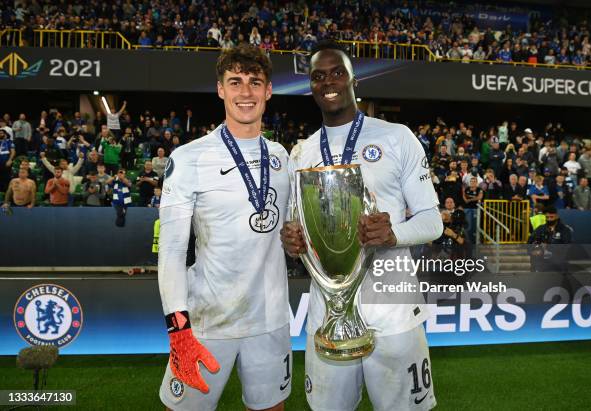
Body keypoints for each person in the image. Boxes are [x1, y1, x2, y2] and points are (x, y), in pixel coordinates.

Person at [281, 40, 442, 411]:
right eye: (319, 76)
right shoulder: (301, 152)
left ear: (355, 80)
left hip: (394, 312)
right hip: (327, 316)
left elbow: (433, 221)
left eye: (338, 72)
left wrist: (393, 234)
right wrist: (289, 238)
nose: (329, 81)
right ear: (311, 86)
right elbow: (296, 227)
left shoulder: (396, 137)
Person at [158, 44, 291, 411]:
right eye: (235, 82)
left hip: (271, 321)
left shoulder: (282, 158)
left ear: (268, 91)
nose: (245, 92)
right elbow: (170, 252)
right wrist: (178, 328)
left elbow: (290, 235)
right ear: (220, 89)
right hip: (206, 323)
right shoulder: (188, 158)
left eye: (254, 82)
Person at [528, 205, 572, 272]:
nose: (549, 219)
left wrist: (549, 247)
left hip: (559, 266)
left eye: (551, 217)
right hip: (541, 265)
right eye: (547, 217)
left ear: (557, 216)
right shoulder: (541, 229)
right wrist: (534, 250)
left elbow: (567, 245)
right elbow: (530, 241)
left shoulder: (564, 230)